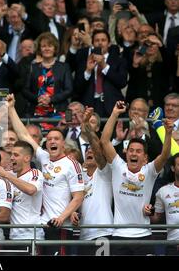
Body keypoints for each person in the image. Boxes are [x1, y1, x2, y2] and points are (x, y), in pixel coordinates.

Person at [7, 93, 84, 255]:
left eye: (56, 139)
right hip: (43, 226)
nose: (52, 142)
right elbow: (24, 135)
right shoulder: (44, 157)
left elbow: (78, 197)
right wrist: (12, 108)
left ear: (63, 143)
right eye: (49, 139)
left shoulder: (72, 164)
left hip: (61, 226)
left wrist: (62, 218)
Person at [101, 101, 172, 255]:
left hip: (143, 236)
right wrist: (114, 113)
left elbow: (165, 155)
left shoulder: (150, 170)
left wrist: (168, 133)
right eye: (131, 150)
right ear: (126, 154)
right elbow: (104, 141)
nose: (133, 153)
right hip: (119, 235)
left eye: (138, 151)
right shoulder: (118, 166)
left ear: (145, 158)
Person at [70, 107, 114, 255]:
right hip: (83, 236)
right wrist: (73, 213)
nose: (90, 151)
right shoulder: (79, 176)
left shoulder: (104, 172)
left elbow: (96, 147)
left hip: (103, 233)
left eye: (93, 151)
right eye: (87, 151)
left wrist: (87, 126)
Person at [0, 141, 44, 254]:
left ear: (27, 158)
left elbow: (31, 190)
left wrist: (7, 175)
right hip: (13, 236)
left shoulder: (35, 173)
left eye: (16, 155)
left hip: (31, 235)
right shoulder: (10, 174)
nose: (11, 158)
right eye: (11, 154)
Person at [147, 153, 179, 255]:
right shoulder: (163, 191)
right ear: (173, 168)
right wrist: (147, 211)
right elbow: (156, 218)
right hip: (172, 244)